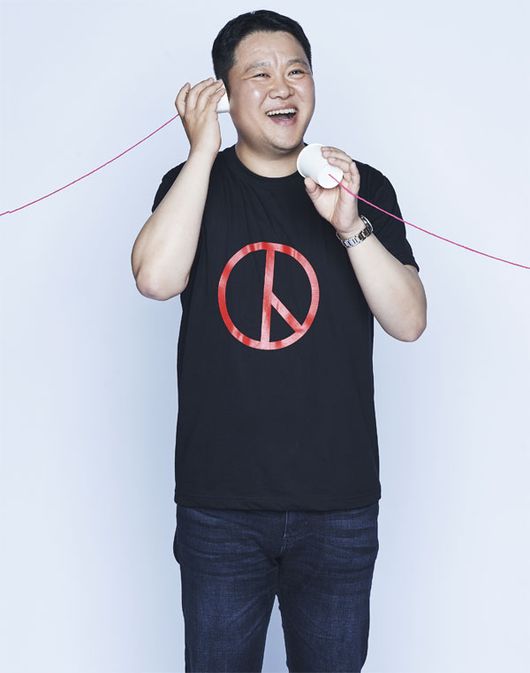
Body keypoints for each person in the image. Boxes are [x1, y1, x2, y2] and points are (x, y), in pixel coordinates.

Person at [131, 9, 427, 673]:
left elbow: (409, 321)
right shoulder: (190, 187)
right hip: (220, 507)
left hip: (339, 506)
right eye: (259, 74)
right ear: (224, 94)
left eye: (297, 71)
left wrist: (349, 225)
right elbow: (155, 278)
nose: (283, 88)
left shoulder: (363, 186)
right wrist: (200, 152)